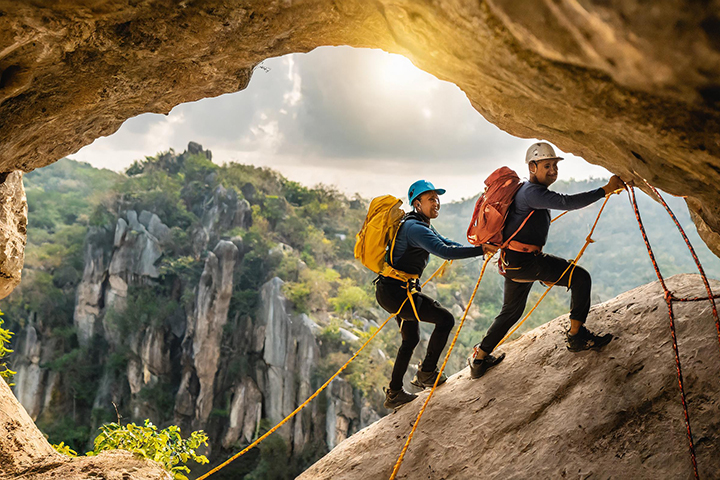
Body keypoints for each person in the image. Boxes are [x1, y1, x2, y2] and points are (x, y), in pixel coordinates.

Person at [468, 142, 627, 379]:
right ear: (532, 167)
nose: (553, 170)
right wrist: (606, 189)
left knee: (511, 312)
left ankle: (480, 359)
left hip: (515, 262)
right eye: (547, 165)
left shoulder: (526, 191)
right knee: (580, 278)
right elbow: (567, 202)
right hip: (526, 262)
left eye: (554, 165)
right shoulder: (532, 192)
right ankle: (576, 337)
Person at [376, 180, 488, 409]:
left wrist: (480, 249)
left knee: (410, 339)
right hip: (397, 292)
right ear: (417, 203)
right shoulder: (415, 228)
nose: (436, 203)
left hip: (394, 289)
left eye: (437, 198)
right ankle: (426, 373)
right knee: (445, 319)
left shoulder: (419, 223)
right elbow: (444, 251)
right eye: (430, 199)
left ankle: (394, 392)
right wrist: (481, 250)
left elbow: (446, 243)